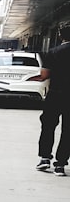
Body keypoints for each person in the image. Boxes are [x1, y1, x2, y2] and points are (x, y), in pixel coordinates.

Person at [36, 26, 70, 176]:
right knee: (68, 131)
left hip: (55, 95)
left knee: (48, 126)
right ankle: (60, 165)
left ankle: (45, 159)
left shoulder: (52, 53)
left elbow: (44, 75)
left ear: (61, 37)